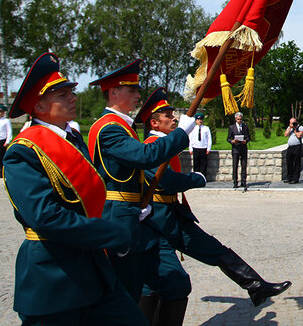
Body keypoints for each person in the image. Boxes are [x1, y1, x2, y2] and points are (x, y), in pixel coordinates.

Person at [3, 52, 146, 325]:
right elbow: (46, 217)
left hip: (95, 273)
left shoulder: (72, 137)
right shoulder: (22, 152)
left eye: (71, 92)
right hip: (54, 279)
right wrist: (112, 232)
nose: (73, 98)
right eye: (62, 94)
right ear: (39, 106)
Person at [137, 89, 291, 324]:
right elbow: (167, 181)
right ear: (155, 123)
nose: (175, 118)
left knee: (214, 249)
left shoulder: (164, 145)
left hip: (173, 216)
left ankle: (256, 285)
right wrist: (197, 179)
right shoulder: (151, 146)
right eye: (169, 116)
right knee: (160, 282)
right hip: (158, 221)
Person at [88, 59, 196, 303]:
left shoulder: (121, 126)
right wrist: (181, 134)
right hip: (119, 218)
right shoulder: (109, 128)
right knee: (126, 290)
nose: (138, 94)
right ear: (114, 93)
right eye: (131, 90)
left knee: (167, 282)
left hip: (134, 214)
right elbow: (145, 157)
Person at [227, 112, 250, 190]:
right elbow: (228, 138)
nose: (239, 120)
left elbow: (248, 137)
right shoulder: (231, 127)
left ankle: (243, 181)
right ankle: (235, 182)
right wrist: (232, 141)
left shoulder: (245, 126)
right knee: (235, 165)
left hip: (243, 148)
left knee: (244, 165)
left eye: (240, 119)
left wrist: (245, 141)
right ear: (235, 119)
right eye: (238, 119)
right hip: (235, 149)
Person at [284, 117, 303, 184]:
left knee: (296, 163)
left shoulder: (300, 128)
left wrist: (295, 130)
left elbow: (299, 136)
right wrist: (290, 128)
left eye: (293, 123)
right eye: (291, 123)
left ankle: (295, 178)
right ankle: (289, 177)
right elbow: (285, 135)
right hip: (290, 147)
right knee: (289, 163)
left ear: (296, 122)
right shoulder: (289, 128)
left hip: (297, 147)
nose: (292, 124)